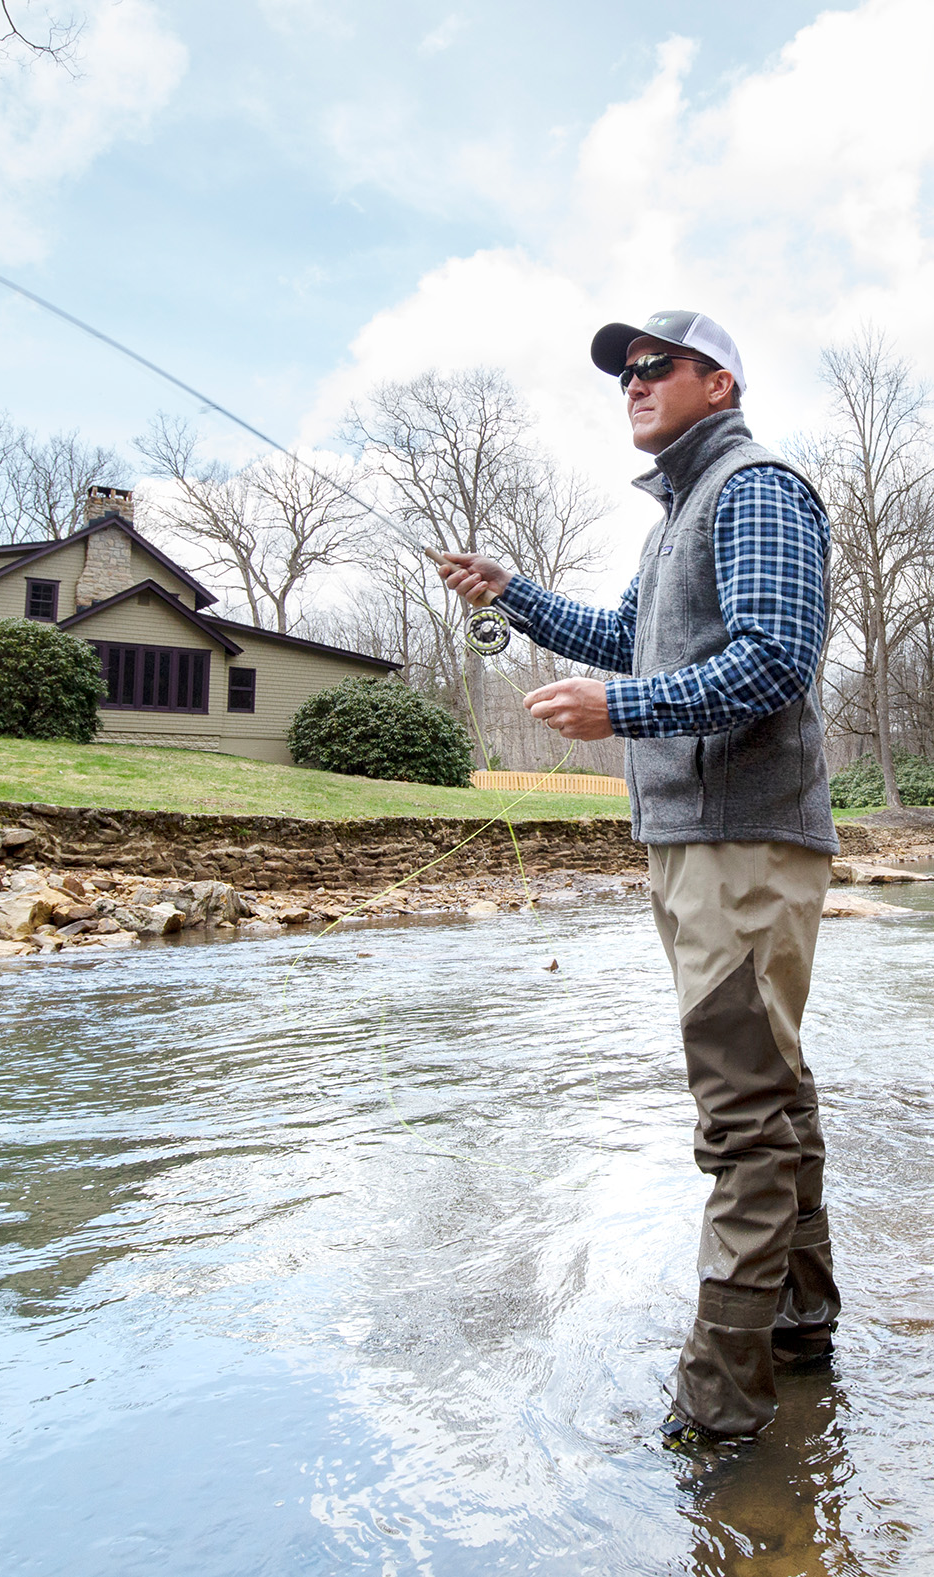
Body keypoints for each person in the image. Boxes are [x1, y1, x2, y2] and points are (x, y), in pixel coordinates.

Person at [436, 310, 842, 1447]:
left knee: (742, 1118)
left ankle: (719, 1415)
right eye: (623, 372)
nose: (633, 382)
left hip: (743, 846)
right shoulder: (678, 516)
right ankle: (802, 1331)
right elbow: (627, 635)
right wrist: (511, 591)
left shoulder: (758, 487)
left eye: (656, 366)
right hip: (702, 845)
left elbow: (773, 657)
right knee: (774, 1094)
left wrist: (620, 712)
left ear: (720, 381)